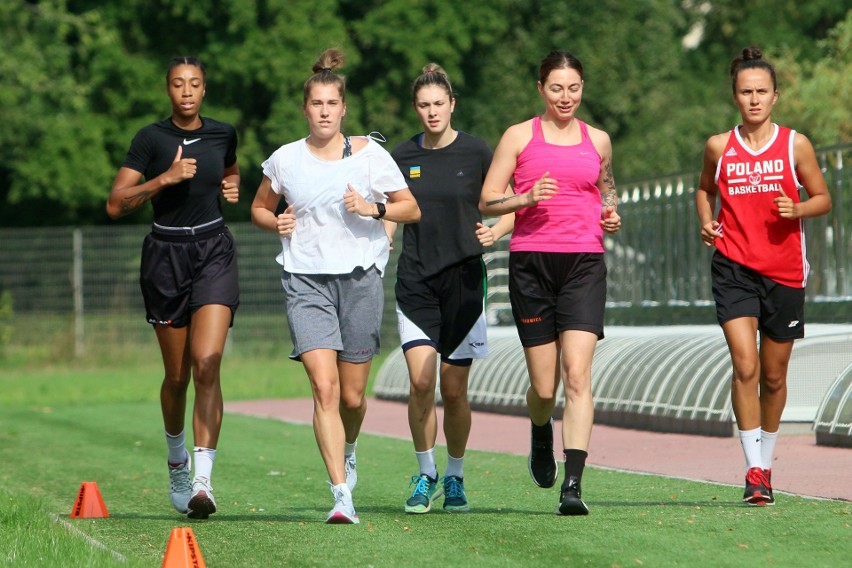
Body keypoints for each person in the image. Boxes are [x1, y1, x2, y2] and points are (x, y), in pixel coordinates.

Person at [250, 48, 420, 524]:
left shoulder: (371, 157)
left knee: (350, 398)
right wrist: (275, 223)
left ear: (343, 108)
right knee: (323, 389)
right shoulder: (285, 160)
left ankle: (350, 447)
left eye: (331, 104)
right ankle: (341, 494)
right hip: (305, 280)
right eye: (316, 104)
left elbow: (411, 208)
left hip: (360, 281)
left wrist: (374, 211)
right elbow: (260, 207)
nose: (324, 111)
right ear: (305, 109)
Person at [479, 50, 621, 516]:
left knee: (577, 375)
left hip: (584, 263)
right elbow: (488, 201)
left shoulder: (598, 139)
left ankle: (574, 484)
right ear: (541, 88)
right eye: (557, 88)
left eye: (574, 88)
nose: (566, 97)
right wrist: (526, 196)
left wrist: (611, 210)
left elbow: (606, 185)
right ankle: (541, 431)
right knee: (545, 388)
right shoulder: (519, 137)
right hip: (532, 265)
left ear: (583, 87)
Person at [695, 46, 831, 506]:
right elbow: (703, 189)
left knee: (773, 376)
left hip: (785, 271)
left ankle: (767, 464)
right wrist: (706, 219)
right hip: (733, 267)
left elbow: (822, 199)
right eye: (745, 92)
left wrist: (798, 208)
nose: (753, 100)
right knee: (745, 365)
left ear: (775, 96)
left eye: (761, 92)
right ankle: (752, 470)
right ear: (735, 96)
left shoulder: (795, 145)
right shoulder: (720, 146)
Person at [106, 56, 241, 520]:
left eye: (195, 84)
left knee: (208, 363)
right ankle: (177, 462)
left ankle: (203, 482)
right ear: (168, 90)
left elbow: (229, 169)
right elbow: (115, 203)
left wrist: (232, 185)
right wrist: (164, 178)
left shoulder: (223, 133)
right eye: (178, 84)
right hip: (165, 255)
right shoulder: (150, 138)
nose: (187, 91)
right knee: (178, 376)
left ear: (205, 90)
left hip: (213, 251)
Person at [388, 64, 514, 514]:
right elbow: (390, 212)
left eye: (438, 103)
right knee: (422, 381)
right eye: (423, 105)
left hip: (463, 280)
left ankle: (456, 477)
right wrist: (382, 241)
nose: (431, 112)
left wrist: (496, 232)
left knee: (454, 388)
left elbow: (511, 202)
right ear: (416, 109)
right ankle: (425, 473)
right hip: (416, 281)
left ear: (452, 104)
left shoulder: (478, 152)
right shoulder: (401, 157)